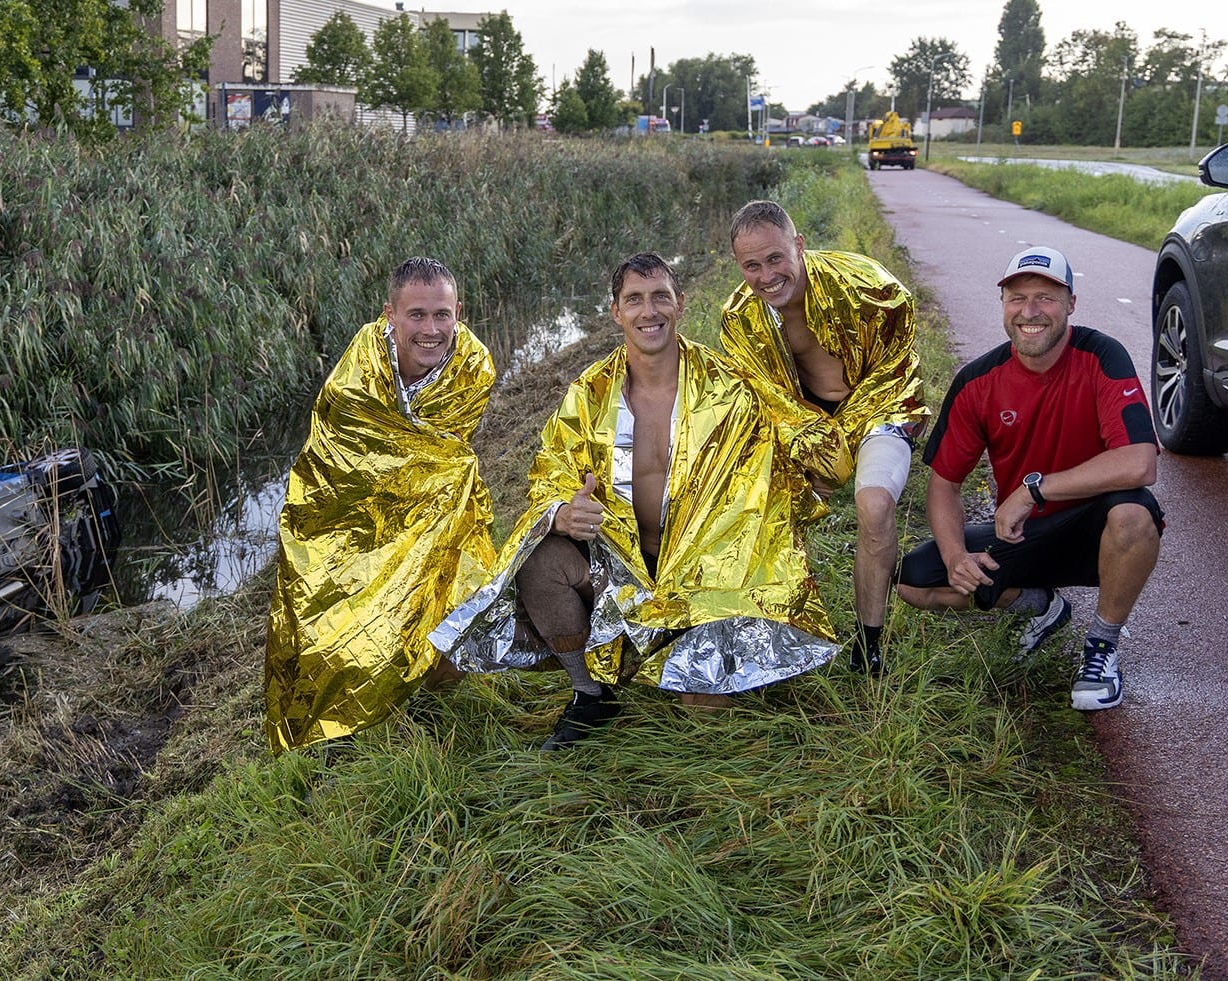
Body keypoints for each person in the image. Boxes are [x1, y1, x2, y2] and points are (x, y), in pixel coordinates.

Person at [431, 252, 851, 750]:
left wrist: (819, 471)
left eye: (659, 298)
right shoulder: (589, 393)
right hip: (622, 569)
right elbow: (550, 473)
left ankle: (687, 648)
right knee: (539, 559)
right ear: (616, 312)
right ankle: (590, 694)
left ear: (680, 306)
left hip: (705, 574)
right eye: (634, 299)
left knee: (703, 707)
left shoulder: (731, 386)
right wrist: (564, 512)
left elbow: (809, 443)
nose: (648, 311)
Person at [894, 246, 1163, 710]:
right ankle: (1039, 605)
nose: (1030, 311)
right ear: (1003, 305)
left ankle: (1101, 646)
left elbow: (1141, 462)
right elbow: (945, 483)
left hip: (1092, 531)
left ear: (1071, 304)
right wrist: (957, 554)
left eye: (1045, 297)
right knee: (915, 579)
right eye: (1017, 298)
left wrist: (1034, 488)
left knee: (1135, 512)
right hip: (1023, 537)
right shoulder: (979, 379)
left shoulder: (1102, 355)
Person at [264, 257, 496, 751]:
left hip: (430, 509)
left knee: (451, 583)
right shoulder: (358, 377)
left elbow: (445, 461)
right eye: (416, 315)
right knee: (326, 607)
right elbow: (340, 453)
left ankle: (431, 700)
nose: (430, 330)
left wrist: (437, 479)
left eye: (441, 315)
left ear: (460, 312)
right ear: (389, 314)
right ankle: (329, 722)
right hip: (343, 510)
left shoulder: (473, 370)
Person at [720, 200, 930, 675]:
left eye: (775, 259)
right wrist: (818, 449)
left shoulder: (872, 288)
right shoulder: (739, 318)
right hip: (807, 420)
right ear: (738, 266)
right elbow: (766, 400)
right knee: (756, 503)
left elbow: (893, 375)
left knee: (874, 504)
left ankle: (868, 642)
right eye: (752, 265)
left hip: (881, 403)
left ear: (798, 245)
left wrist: (839, 448)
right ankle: (770, 630)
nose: (767, 276)